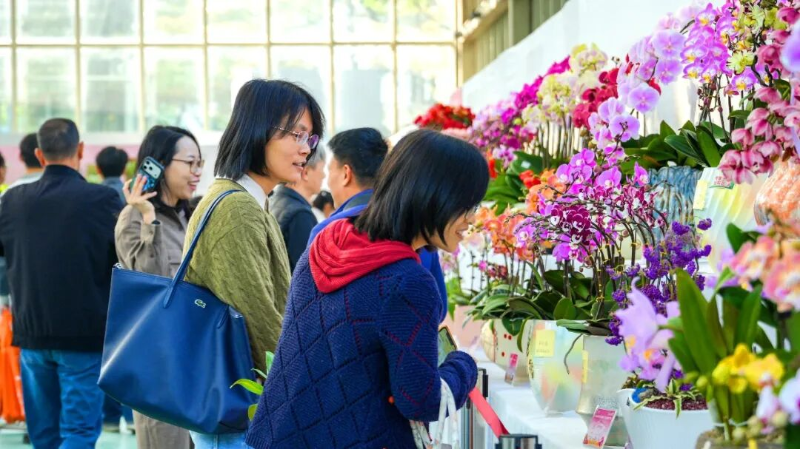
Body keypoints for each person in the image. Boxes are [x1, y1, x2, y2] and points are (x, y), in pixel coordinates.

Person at [245, 129, 486, 449]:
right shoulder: (409, 282)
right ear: (434, 196)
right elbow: (420, 400)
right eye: (467, 206)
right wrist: (464, 366)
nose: (471, 219)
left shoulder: (323, 244)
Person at [184, 79, 324, 449]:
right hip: (238, 411)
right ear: (257, 131)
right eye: (297, 134)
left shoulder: (247, 200)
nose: (305, 149)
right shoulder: (236, 208)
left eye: (309, 138)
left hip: (239, 406)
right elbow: (259, 317)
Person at [0, 118, 123, 449]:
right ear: (80, 150)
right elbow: (125, 260)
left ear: (39, 155)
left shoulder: (12, 201)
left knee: (43, 435)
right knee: (79, 433)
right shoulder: (102, 200)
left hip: (31, 335)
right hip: (84, 337)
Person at [114, 125, 201, 449]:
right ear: (160, 164)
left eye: (200, 164)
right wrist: (148, 216)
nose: (197, 173)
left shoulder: (189, 215)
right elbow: (153, 286)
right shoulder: (133, 219)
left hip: (194, 359)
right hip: (158, 365)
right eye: (190, 163)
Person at [306, 128, 449, 320]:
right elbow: (438, 309)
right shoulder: (417, 229)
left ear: (346, 173)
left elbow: (311, 313)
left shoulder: (326, 233)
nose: (327, 179)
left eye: (330, 169)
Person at [270, 145, 326, 271]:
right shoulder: (300, 215)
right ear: (305, 172)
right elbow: (308, 274)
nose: (324, 176)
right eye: (322, 169)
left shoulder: (273, 201)